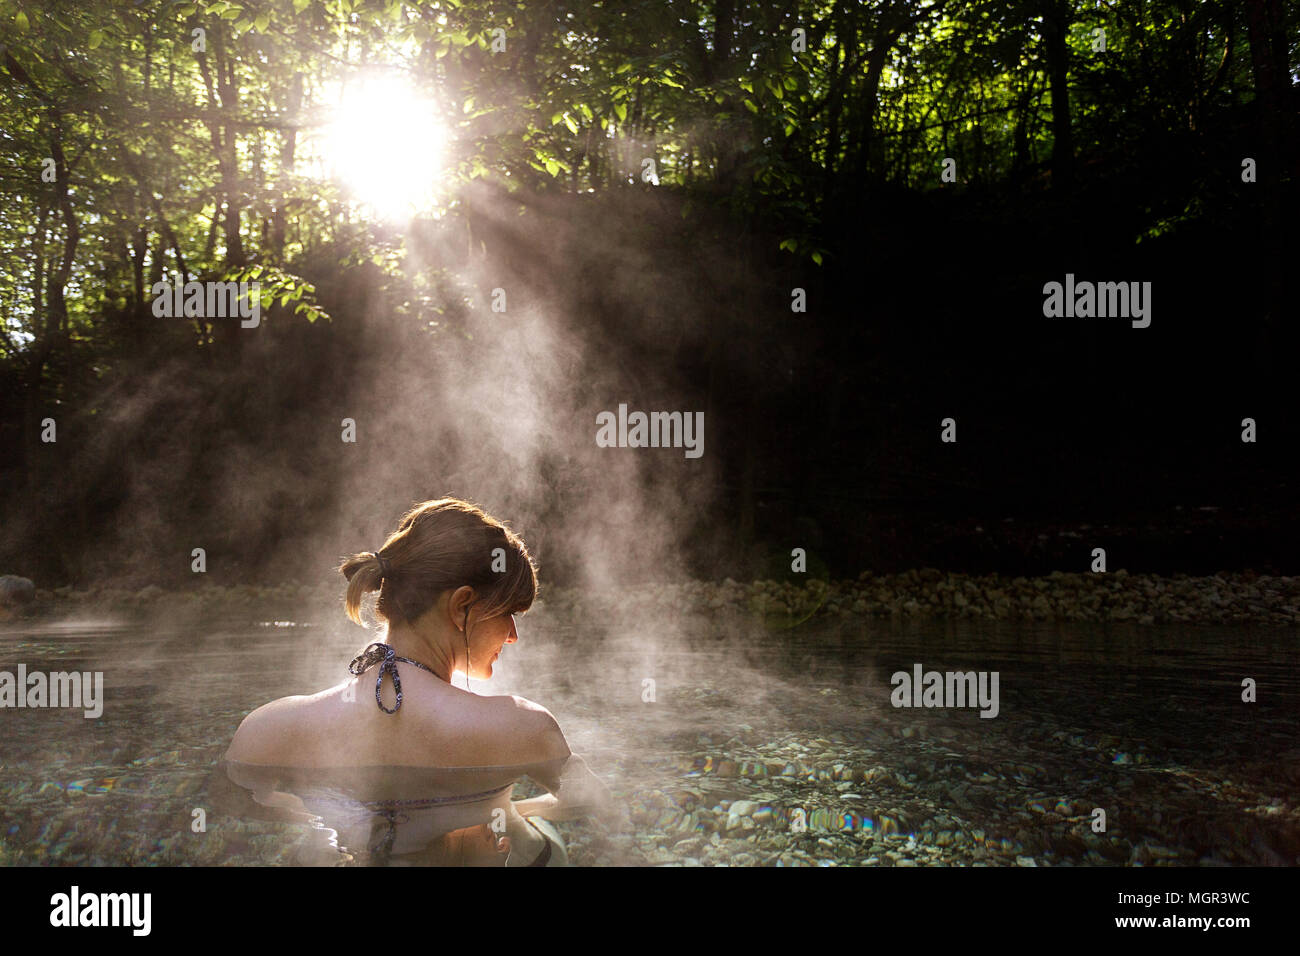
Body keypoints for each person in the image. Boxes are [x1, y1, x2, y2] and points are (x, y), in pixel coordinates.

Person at [223, 497, 609, 865]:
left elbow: (236, 802)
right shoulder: (522, 727)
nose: (512, 636)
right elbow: (591, 801)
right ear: (461, 606)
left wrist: (326, 816)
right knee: (528, 835)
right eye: (509, 613)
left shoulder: (266, 731)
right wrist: (505, 810)